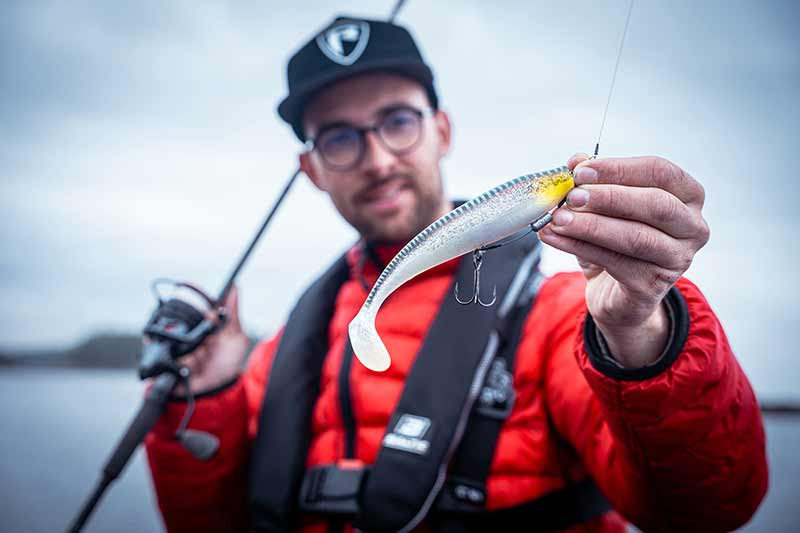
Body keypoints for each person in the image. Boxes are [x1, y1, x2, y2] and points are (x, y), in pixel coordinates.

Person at [144, 15, 767, 533]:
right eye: (339, 138)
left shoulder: (562, 319)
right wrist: (208, 398)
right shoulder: (274, 358)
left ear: (441, 131)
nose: (377, 159)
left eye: (398, 121)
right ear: (312, 171)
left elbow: (706, 510)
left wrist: (642, 335)